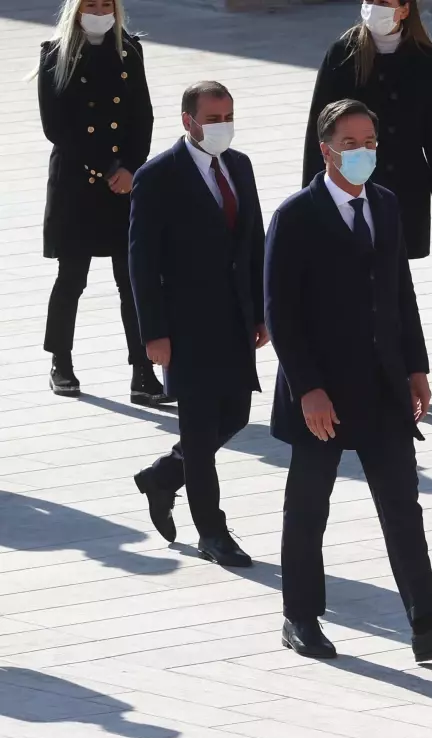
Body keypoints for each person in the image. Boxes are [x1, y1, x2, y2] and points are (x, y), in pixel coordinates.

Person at [266, 98, 432, 663]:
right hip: (323, 394)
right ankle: (300, 616)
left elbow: (399, 294)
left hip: (383, 387)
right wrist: (308, 387)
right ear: (326, 150)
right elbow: (281, 313)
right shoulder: (294, 217)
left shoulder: (386, 206)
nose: (363, 152)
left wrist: (416, 368)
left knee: (402, 506)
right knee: (309, 506)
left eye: (370, 142)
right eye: (351, 143)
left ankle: (427, 623)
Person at [128, 81, 267, 568]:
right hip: (185, 326)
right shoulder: (158, 176)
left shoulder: (240, 165)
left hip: (234, 318)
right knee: (201, 424)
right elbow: (141, 260)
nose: (222, 126)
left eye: (228, 115)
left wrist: (263, 310)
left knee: (235, 417)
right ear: (188, 120)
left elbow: (254, 240)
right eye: (212, 118)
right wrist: (152, 333)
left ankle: (164, 475)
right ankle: (212, 530)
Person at [36, 0, 166, 405]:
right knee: (72, 277)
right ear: (76, 9)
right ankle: (61, 359)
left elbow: (142, 114)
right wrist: (108, 166)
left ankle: (142, 372)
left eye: (105, 2)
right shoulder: (55, 54)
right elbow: (56, 126)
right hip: (77, 181)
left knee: (131, 280)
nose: (98, 9)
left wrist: (130, 167)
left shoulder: (129, 50)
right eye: (90, 3)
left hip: (122, 186)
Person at [301, 0, 432, 260]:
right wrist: (310, 193)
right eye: (370, 0)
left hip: (406, 185)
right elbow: (319, 126)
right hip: (354, 180)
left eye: (383, 2)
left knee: (396, 271)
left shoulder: (424, 58)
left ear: (404, 10)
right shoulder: (342, 53)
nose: (374, 7)